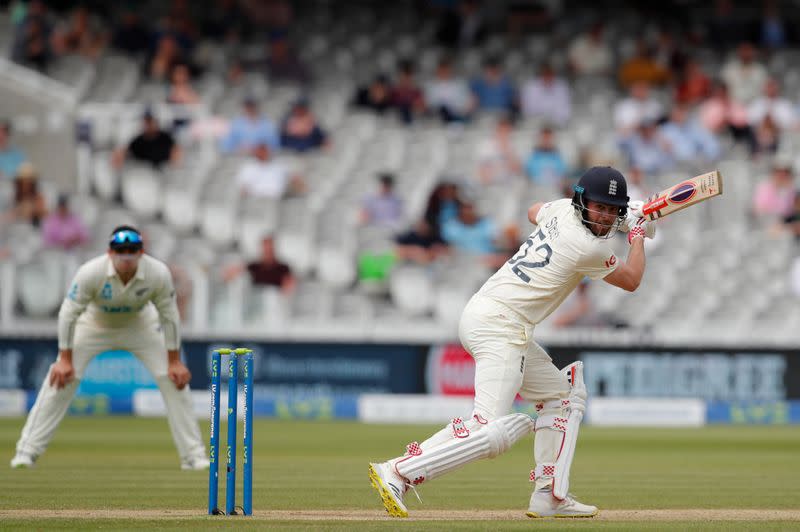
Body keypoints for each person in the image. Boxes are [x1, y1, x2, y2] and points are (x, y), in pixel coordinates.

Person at [368, 166, 655, 518]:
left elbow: (534, 209)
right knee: (487, 428)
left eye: (614, 210)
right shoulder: (587, 248)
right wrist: (637, 233)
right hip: (500, 325)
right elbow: (632, 280)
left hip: (490, 315)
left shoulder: (561, 209)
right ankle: (398, 471)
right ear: (583, 202)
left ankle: (550, 494)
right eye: (600, 207)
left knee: (563, 396)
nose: (606, 216)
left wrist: (625, 219)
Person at [10, 226, 209, 470]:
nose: (126, 257)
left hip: (140, 326)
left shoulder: (157, 273)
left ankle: (194, 456)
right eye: (120, 250)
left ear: (141, 252)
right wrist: (64, 358)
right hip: (94, 325)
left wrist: (175, 361)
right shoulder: (91, 272)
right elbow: (68, 313)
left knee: (174, 380)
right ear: (109, 252)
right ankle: (26, 452)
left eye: (132, 251)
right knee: (60, 379)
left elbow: (169, 316)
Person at [222, 236, 295, 294]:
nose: (267, 251)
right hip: (256, 302)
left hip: (275, 304)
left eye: (270, 248)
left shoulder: (283, 268)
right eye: (265, 248)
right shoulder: (255, 266)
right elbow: (232, 273)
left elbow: (289, 287)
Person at [112, 111, 181, 169]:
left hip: (165, 168)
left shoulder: (165, 137)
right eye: (146, 122)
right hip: (143, 171)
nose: (149, 125)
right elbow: (125, 151)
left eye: (150, 122)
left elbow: (176, 151)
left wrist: (174, 164)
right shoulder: (138, 140)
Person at [235, 143, 305, 198]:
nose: (264, 153)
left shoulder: (279, 165)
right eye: (261, 151)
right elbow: (243, 188)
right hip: (257, 200)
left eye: (265, 151)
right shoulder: (249, 167)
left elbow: (295, 179)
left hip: (279, 199)